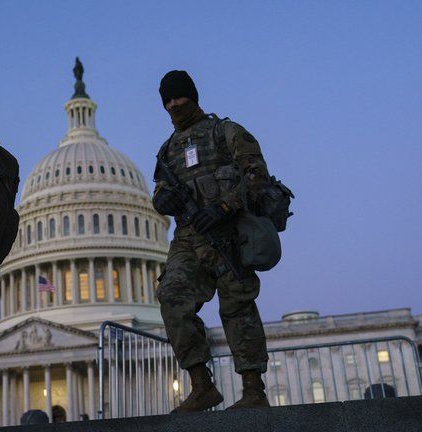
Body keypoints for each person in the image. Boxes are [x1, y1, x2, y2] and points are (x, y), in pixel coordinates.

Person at [152, 70, 277, 413]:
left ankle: (253, 389)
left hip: (229, 233)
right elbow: (160, 189)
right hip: (189, 238)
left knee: (237, 307)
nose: (174, 105)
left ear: (193, 96)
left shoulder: (225, 132)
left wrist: (225, 208)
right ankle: (201, 385)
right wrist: (160, 200)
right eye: (168, 100)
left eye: (179, 97)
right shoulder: (167, 151)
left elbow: (256, 175)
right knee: (171, 296)